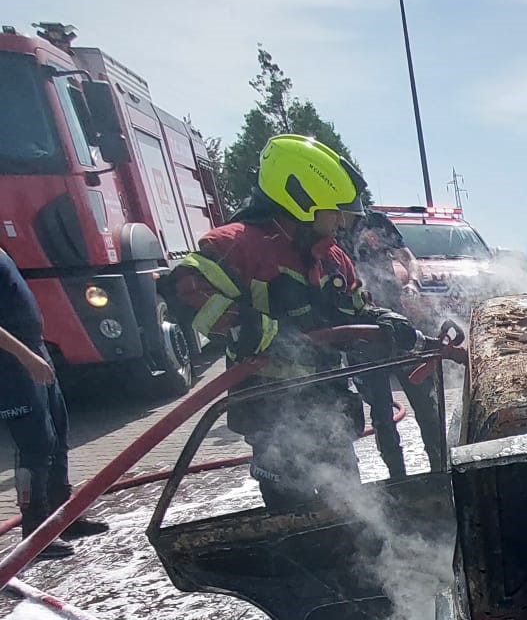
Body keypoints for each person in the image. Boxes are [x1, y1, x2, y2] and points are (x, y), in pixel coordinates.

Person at [161, 137, 417, 512]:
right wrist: (262, 333)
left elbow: (353, 306)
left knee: (350, 504)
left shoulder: (332, 257)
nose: (341, 222)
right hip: (270, 406)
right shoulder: (239, 245)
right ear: (301, 201)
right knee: (290, 512)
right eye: (335, 212)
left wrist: (382, 319)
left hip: (327, 399)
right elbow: (185, 291)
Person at [0, 245, 109, 560]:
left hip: (32, 349)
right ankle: (36, 533)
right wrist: (26, 356)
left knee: (58, 434)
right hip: (11, 363)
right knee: (36, 446)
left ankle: (64, 517)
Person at [349, 211, 445, 476]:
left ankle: (440, 470)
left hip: (399, 325)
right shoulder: (330, 233)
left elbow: (407, 257)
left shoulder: (376, 222)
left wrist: (412, 283)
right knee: (381, 413)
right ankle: (398, 479)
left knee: (426, 403)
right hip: (363, 336)